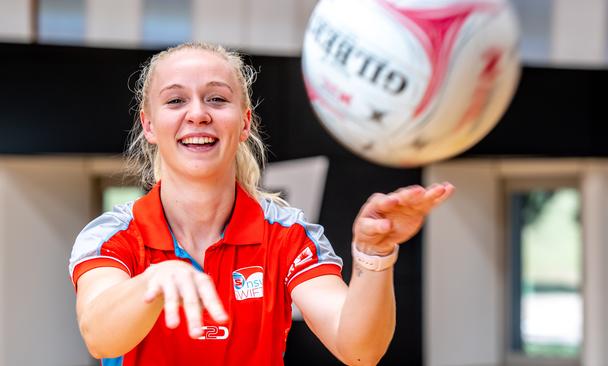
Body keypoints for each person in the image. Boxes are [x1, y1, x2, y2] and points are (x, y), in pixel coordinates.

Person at [69, 42, 454, 366]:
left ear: (245, 122)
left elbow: (359, 351)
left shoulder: (287, 234)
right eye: (175, 100)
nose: (199, 114)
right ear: (149, 125)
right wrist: (154, 280)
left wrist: (375, 253)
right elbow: (101, 338)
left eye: (217, 99)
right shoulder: (112, 236)